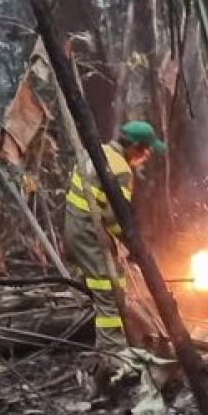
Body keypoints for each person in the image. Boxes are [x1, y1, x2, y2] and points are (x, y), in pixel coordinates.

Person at [63, 121, 166, 343]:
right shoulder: (120, 170)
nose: (148, 155)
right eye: (147, 150)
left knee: (109, 282)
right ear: (135, 147)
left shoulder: (98, 152)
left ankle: (115, 334)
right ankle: (114, 352)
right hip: (88, 234)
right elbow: (114, 217)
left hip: (74, 230)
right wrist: (134, 246)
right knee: (110, 291)